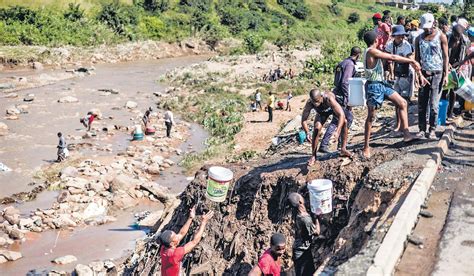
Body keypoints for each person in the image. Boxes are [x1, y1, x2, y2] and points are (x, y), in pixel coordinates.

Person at [362, 31, 425, 159]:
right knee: (371, 116)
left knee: (402, 103)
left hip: (382, 85)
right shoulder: (371, 51)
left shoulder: (373, 51)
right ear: (376, 41)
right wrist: (411, 61)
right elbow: (393, 58)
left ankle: (406, 134)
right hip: (374, 86)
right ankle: (366, 147)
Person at [319, 47, 361, 153]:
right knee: (344, 119)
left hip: (336, 93)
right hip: (342, 96)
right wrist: (348, 98)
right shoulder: (350, 64)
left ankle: (332, 144)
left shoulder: (342, 62)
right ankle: (335, 144)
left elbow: (337, 81)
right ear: (358, 55)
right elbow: (345, 82)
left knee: (338, 119)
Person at [415, 13, 449, 139]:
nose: (427, 29)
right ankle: (422, 129)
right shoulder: (418, 39)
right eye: (424, 27)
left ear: (434, 23)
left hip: (437, 74)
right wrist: (418, 75)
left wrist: (446, 75)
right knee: (422, 104)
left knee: (434, 105)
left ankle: (432, 129)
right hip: (424, 74)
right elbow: (417, 59)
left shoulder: (441, 37)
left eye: (428, 27)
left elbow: (445, 57)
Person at [301, 89, 352, 165]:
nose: (316, 104)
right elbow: (303, 120)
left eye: (317, 101)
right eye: (314, 102)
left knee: (344, 121)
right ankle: (313, 156)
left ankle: (343, 149)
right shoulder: (309, 103)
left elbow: (341, 115)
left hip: (332, 109)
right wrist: (307, 132)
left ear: (321, 97)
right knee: (317, 128)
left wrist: (337, 131)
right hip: (322, 113)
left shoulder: (329, 98)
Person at [160, 207, 214, 276]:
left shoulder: (163, 248)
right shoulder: (175, 254)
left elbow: (181, 234)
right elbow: (194, 242)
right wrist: (204, 222)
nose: (178, 236)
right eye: (175, 236)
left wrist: (190, 218)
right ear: (172, 243)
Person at [385, 25, 415, 131]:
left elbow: (410, 60)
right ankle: (398, 124)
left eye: (402, 36)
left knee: (404, 100)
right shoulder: (389, 45)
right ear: (394, 36)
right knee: (396, 101)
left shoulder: (406, 45)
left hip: (406, 73)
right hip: (396, 73)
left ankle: (404, 125)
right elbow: (389, 60)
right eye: (398, 36)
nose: (401, 38)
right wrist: (390, 72)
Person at [288, 193, 320, 276]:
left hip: (301, 247)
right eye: (301, 196)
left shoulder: (296, 211)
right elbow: (317, 232)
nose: (303, 196)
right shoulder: (305, 219)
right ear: (300, 201)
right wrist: (316, 218)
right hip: (301, 251)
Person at [444, 24, 471, 119]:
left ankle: (450, 113)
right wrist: (447, 65)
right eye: (455, 35)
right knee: (444, 90)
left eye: (458, 36)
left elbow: (464, 55)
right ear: (453, 33)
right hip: (446, 65)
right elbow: (444, 53)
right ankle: (442, 112)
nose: (457, 38)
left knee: (454, 90)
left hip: (456, 66)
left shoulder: (465, 40)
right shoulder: (447, 38)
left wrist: (459, 64)